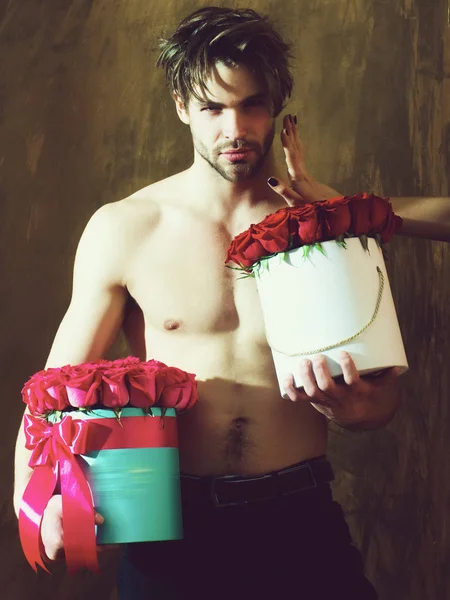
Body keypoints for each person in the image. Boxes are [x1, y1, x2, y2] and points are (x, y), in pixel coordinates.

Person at [13, 6, 450, 600]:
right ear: (181, 107)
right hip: (171, 530)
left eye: (252, 104)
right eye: (213, 108)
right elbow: (51, 394)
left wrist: (353, 407)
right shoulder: (127, 228)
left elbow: (381, 406)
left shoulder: (324, 232)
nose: (235, 128)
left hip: (299, 517)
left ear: (277, 104)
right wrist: (36, 502)